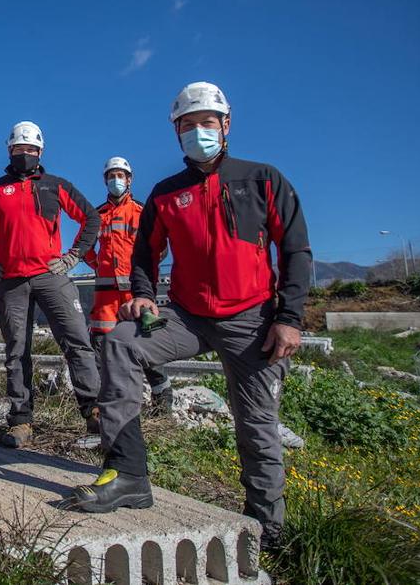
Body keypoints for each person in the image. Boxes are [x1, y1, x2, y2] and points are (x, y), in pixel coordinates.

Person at [71, 82, 310, 552]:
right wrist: (142, 295)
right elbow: (144, 255)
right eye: (187, 125)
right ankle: (129, 474)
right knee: (121, 341)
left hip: (253, 319)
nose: (197, 132)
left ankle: (268, 528)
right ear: (175, 131)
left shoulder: (263, 178)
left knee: (256, 423)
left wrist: (290, 317)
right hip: (185, 315)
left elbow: (296, 249)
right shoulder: (166, 193)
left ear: (226, 125)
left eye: (207, 123)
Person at [0, 120, 102, 448]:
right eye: (19, 149)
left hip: (51, 276)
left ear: (40, 152)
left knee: (77, 341)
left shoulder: (55, 185)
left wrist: (72, 257)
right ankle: (21, 421)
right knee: (16, 351)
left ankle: (93, 411)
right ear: (9, 151)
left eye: (31, 150)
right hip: (10, 282)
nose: (25, 154)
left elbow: (90, 217)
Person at [84, 156, 173, 414]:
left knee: (146, 345)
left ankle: (162, 399)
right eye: (112, 175)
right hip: (106, 297)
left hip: (135, 294)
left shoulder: (141, 213)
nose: (116, 180)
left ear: (129, 179)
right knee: (101, 347)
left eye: (121, 175)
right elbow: (86, 249)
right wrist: (100, 265)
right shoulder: (97, 216)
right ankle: (109, 403)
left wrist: (141, 274)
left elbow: (159, 250)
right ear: (105, 180)